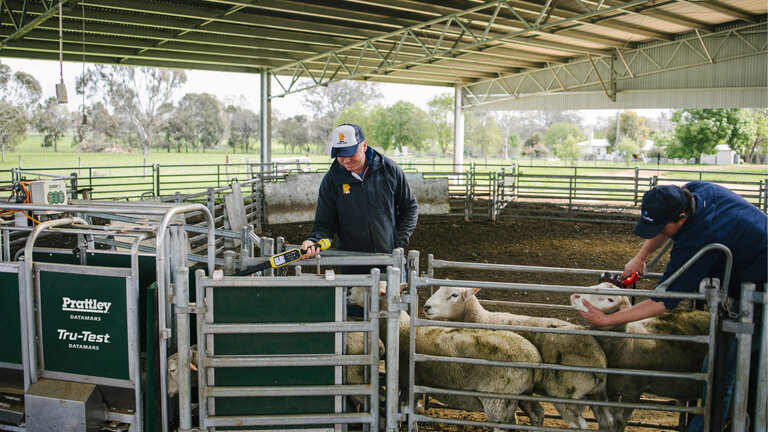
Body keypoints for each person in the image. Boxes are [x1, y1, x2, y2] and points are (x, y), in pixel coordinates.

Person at [578, 181, 767, 431]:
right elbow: (666, 225)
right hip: (748, 282)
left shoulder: (700, 237)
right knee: (749, 361)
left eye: (660, 226)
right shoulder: (694, 192)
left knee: (721, 367)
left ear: (682, 218)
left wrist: (606, 320)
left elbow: (663, 301)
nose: (657, 231)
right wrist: (641, 256)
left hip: (760, 293)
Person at [300, 123, 418, 276]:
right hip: (352, 263)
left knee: (394, 292)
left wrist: (398, 241)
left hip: (390, 260)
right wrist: (313, 240)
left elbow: (409, 206)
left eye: (351, 153)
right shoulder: (332, 180)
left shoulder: (389, 169)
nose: (346, 160)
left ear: (364, 145)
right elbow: (324, 223)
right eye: (341, 154)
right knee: (354, 293)